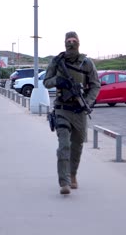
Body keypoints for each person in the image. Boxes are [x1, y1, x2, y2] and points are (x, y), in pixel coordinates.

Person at [43, 31, 100, 195]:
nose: (71, 43)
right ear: (64, 43)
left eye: (74, 40)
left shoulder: (86, 63)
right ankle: (64, 182)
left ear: (79, 42)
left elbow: (96, 85)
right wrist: (58, 81)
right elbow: (46, 81)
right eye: (69, 40)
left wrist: (87, 102)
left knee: (77, 146)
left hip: (80, 111)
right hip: (62, 109)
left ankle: (73, 174)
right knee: (64, 145)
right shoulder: (57, 61)